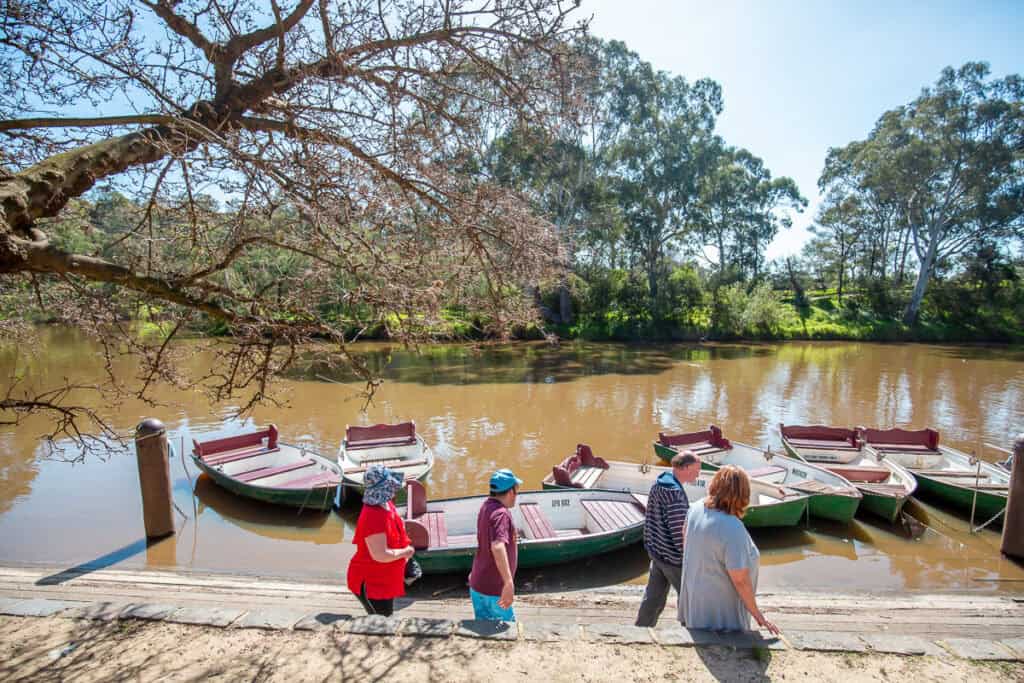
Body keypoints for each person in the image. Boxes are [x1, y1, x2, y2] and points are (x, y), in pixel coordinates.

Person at [678, 465, 780, 634]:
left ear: (714, 485)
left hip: (695, 603)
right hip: (720, 614)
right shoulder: (732, 527)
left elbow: (685, 543)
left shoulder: (695, 508)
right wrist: (759, 616)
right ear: (743, 495)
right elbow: (740, 579)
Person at [635, 450, 701, 627]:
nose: (698, 473)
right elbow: (680, 533)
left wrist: (651, 545)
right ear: (685, 468)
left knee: (654, 596)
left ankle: (642, 627)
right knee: (689, 596)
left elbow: (651, 518)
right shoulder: (674, 494)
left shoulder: (659, 483)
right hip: (673, 558)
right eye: (697, 469)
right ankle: (692, 629)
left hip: (657, 551)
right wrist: (689, 556)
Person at [346, 465, 415, 617]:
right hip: (372, 583)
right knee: (381, 621)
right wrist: (406, 552)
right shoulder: (372, 516)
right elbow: (380, 555)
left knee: (385, 618)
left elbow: (393, 520)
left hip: (385, 577)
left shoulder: (385, 502)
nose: (394, 488)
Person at [468, 468, 522, 621]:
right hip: (494, 589)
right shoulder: (501, 514)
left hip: (477, 584)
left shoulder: (486, 506)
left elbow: (482, 542)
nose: (516, 496)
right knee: (507, 631)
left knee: (484, 628)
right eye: (517, 492)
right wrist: (508, 582)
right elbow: (497, 546)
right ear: (511, 491)